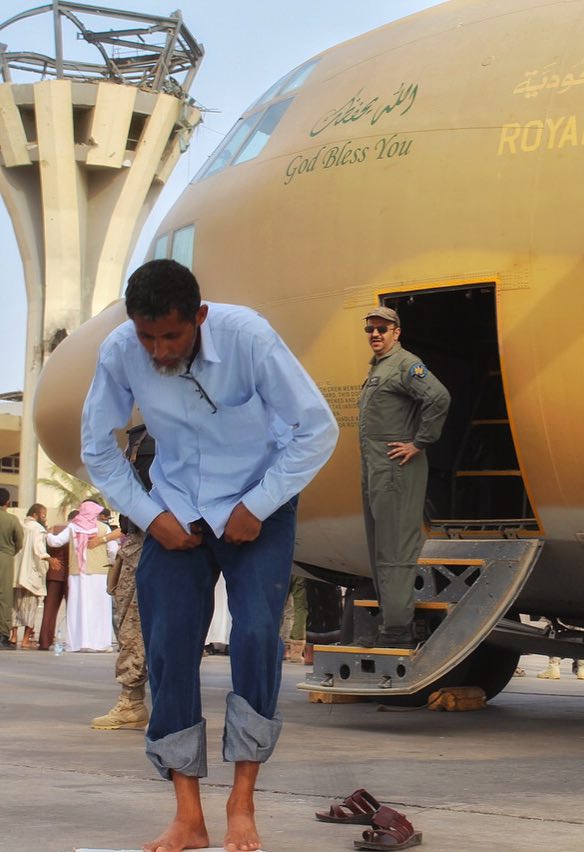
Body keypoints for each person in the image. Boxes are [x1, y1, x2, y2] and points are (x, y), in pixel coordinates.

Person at [81, 259, 338, 852]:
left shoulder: (248, 337)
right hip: (176, 512)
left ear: (199, 316)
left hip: (258, 506)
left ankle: (241, 803)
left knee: (254, 637)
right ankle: (188, 816)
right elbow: (98, 447)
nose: (158, 350)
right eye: (147, 336)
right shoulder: (122, 350)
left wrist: (261, 502)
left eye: (171, 336)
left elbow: (316, 428)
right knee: (168, 647)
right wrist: (152, 516)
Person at [358, 306, 450, 648]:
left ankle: (397, 631)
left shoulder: (405, 364)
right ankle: (389, 623)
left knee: (395, 549)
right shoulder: (380, 368)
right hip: (375, 469)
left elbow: (438, 397)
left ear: (397, 332)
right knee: (379, 545)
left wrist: (419, 442)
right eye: (370, 329)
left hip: (395, 471)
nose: (375, 334)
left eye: (382, 328)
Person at [92, 424, 154, 730]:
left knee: (136, 622)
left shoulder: (153, 436)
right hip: (141, 538)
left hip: (156, 538)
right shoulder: (140, 436)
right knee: (130, 620)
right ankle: (132, 701)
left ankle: (133, 700)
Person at [46, 500, 116, 652]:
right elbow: (113, 551)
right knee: (99, 608)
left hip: (77, 573)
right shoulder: (104, 528)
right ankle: (101, 643)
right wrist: (108, 563)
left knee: (78, 607)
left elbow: (56, 542)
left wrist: (48, 534)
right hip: (99, 573)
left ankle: (78, 642)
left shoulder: (73, 526)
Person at [11, 503, 50, 649]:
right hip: (31, 574)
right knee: (30, 608)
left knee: (14, 607)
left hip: (16, 573)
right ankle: (26, 639)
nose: (45, 518)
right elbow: (39, 548)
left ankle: (13, 636)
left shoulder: (20, 524)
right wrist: (49, 559)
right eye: (43, 515)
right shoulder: (38, 529)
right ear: (35, 514)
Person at [39, 509, 76, 650]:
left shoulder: (54, 529)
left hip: (54, 573)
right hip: (71, 574)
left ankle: (44, 641)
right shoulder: (76, 530)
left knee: (49, 610)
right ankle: (72, 641)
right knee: (72, 610)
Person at [0, 486, 24, 650]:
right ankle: (3, 636)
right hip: (5, 558)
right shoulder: (12, 520)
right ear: (7, 502)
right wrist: (10, 552)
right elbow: (19, 542)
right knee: (4, 598)